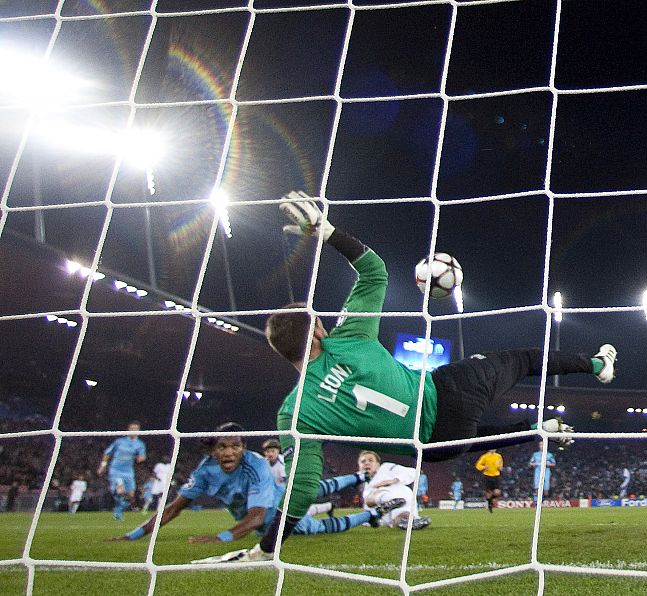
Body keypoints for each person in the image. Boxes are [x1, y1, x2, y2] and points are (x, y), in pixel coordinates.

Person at [207, 191, 616, 562]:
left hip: (431, 448)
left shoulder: (293, 411)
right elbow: (374, 271)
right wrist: (325, 230)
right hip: (446, 394)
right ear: (316, 330)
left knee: (474, 438)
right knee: (521, 359)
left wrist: (265, 549)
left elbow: (305, 485)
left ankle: (538, 429)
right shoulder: (347, 337)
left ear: (281, 353)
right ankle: (598, 365)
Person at [117, 423, 404, 546]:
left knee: (316, 512)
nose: (229, 452)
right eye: (223, 447)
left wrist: (223, 538)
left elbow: (256, 517)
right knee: (318, 500)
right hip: (263, 516)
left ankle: (366, 500)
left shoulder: (255, 466)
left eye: (235, 446)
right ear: (213, 449)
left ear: (243, 447)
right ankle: (371, 512)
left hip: (281, 509)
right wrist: (133, 535)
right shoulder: (205, 471)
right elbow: (174, 508)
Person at [358, 450, 430, 530]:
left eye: (370, 460)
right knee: (369, 497)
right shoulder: (364, 484)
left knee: (403, 514)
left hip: (401, 502)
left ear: (378, 464)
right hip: (380, 512)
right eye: (363, 461)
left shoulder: (386, 468)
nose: (366, 463)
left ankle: (408, 521)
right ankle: (390, 505)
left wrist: (394, 480)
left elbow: (413, 472)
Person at [97, 421, 146, 521]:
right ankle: (116, 490)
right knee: (120, 490)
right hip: (116, 470)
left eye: (136, 429)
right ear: (128, 429)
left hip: (128, 471)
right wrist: (103, 465)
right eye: (132, 428)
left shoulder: (140, 444)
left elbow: (142, 456)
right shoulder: (119, 441)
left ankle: (118, 511)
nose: (134, 430)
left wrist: (140, 458)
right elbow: (107, 453)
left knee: (131, 496)